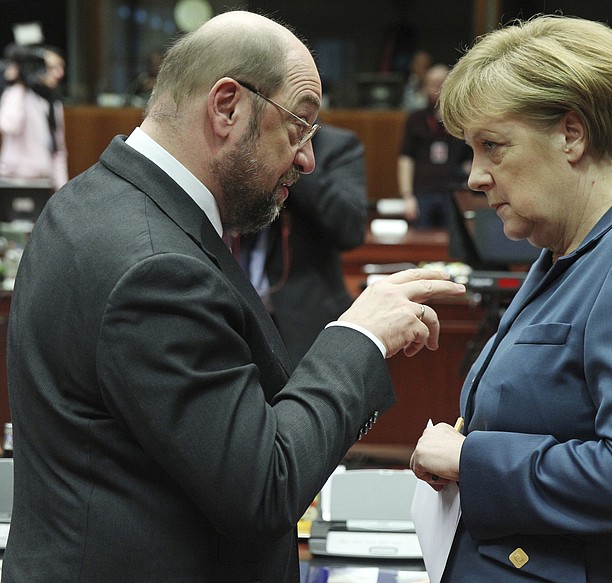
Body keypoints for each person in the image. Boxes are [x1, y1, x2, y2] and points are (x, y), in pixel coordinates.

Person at [3, 11, 465, 583]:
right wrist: (359, 337)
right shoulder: (158, 267)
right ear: (227, 107)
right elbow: (264, 487)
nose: (308, 160)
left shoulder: (91, 197)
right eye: (298, 127)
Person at [409, 15, 612, 582]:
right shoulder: (565, 249)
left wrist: (472, 462)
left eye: (493, 146)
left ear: (571, 134)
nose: (476, 176)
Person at [238, 123, 367, 364]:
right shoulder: (244, 139)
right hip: (239, 315)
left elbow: (351, 231)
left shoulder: (337, 145)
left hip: (304, 319)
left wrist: (294, 160)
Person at [397, 63, 469, 229]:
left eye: (441, 84)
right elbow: (406, 159)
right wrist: (407, 197)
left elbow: (469, 160)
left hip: (453, 191)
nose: (437, 89)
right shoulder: (416, 119)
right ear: (424, 87)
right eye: (433, 84)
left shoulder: (461, 119)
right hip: (423, 191)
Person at [0, 44, 67, 189]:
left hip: (43, 182)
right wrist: (20, 84)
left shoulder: (52, 103)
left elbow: (58, 150)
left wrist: (62, 190)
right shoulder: (15, 94)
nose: (58, 73)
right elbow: (9, 126)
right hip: (13, 181)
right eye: (51, 68)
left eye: (61, 67)